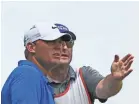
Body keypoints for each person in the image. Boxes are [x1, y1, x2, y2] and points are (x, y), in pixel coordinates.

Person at [1, 22, 134, 104]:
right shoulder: (28, 74)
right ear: (31, 47)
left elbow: (104, 89)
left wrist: (115, 80)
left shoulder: (39, 80)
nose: (63, 47)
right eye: (52, 41)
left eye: (68, 42)